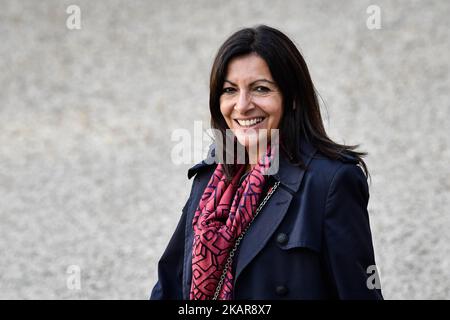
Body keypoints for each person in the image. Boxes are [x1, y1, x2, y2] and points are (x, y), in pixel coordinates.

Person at [150, 25, 383, 300]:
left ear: (292, 98)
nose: (242, 105)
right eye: (229, 90)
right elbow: (171, 284)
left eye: (260, 89)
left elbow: (358, 293)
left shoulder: (331, 182)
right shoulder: (210, 177)